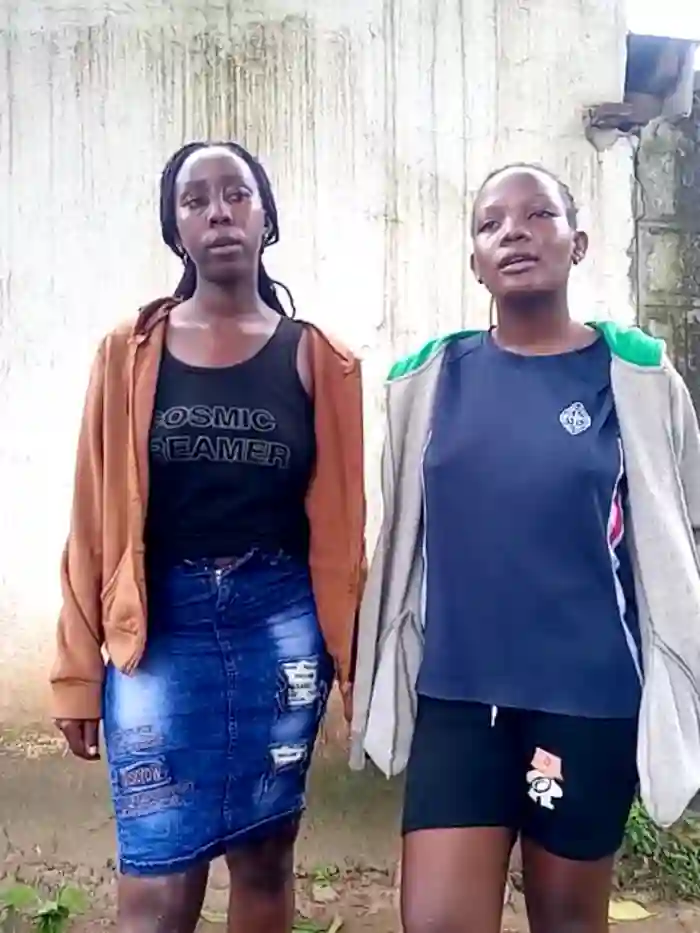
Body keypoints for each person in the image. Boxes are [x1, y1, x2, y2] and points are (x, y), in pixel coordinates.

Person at [350, 163, 700, 933]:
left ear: (579, 243)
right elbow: (401, 536)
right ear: (475, 261)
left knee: (568, 922)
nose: (514, 232)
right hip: (458, 697)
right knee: (437, 922)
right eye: (491, 222)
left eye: (539, 214)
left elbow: (679, 525)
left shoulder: (633, 378)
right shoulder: (431, 381)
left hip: (586, 699)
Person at [51, 140, 365, 933]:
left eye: (237, 194)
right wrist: (77, 671)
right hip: (160, 631)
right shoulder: (129, 352)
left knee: (263, 857)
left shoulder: (320, 359)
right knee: (157, 884)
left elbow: (341, 534)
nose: (219, 212)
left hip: (279, 627)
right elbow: (92, 519)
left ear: (266, 217)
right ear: (175, 229)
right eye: (196, 200)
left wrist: (355, 666)